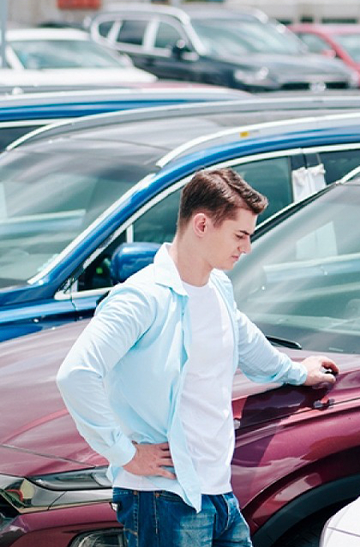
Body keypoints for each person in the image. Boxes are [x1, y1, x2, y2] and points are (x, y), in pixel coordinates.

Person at [56, 168, 339, 547]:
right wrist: (124, 453)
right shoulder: (142, 297)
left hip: (217, 490)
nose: (247, 247)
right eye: (240, 235)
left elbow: (248, 345)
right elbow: (77, 374)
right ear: (202, 224)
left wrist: (299, 372)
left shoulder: (218, 286)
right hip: (163, 497)